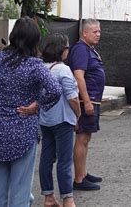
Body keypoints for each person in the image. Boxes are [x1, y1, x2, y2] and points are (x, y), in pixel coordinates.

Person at [0, 17, 61, 207]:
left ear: (13, 36)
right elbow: (55, 90)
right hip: (23, 132)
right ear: (35, 40)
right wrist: (37, 105)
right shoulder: (34, 65)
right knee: (20, 192)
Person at [39, 33, 81, 207]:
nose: (68, 50)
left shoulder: (41, 67)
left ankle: (48, 197)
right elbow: (72, 98)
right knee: (64, 161)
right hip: (63, 120)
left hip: (45, 120)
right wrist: (77, 115)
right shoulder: (63, 69)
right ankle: (68, 199)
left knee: (46, 158)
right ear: (61, 49)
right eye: (66, 47)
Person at [68, 18, 105, 191]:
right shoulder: (81, 50)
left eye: (99, 31)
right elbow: (78, 76)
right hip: (85, 101)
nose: (98, 34)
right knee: (81, 138)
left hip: (92, 99)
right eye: (94, 31)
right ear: (84, 33)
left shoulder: (89, 49)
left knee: (86, 138)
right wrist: (87, 102)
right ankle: (79, 179)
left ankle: (83, 172)